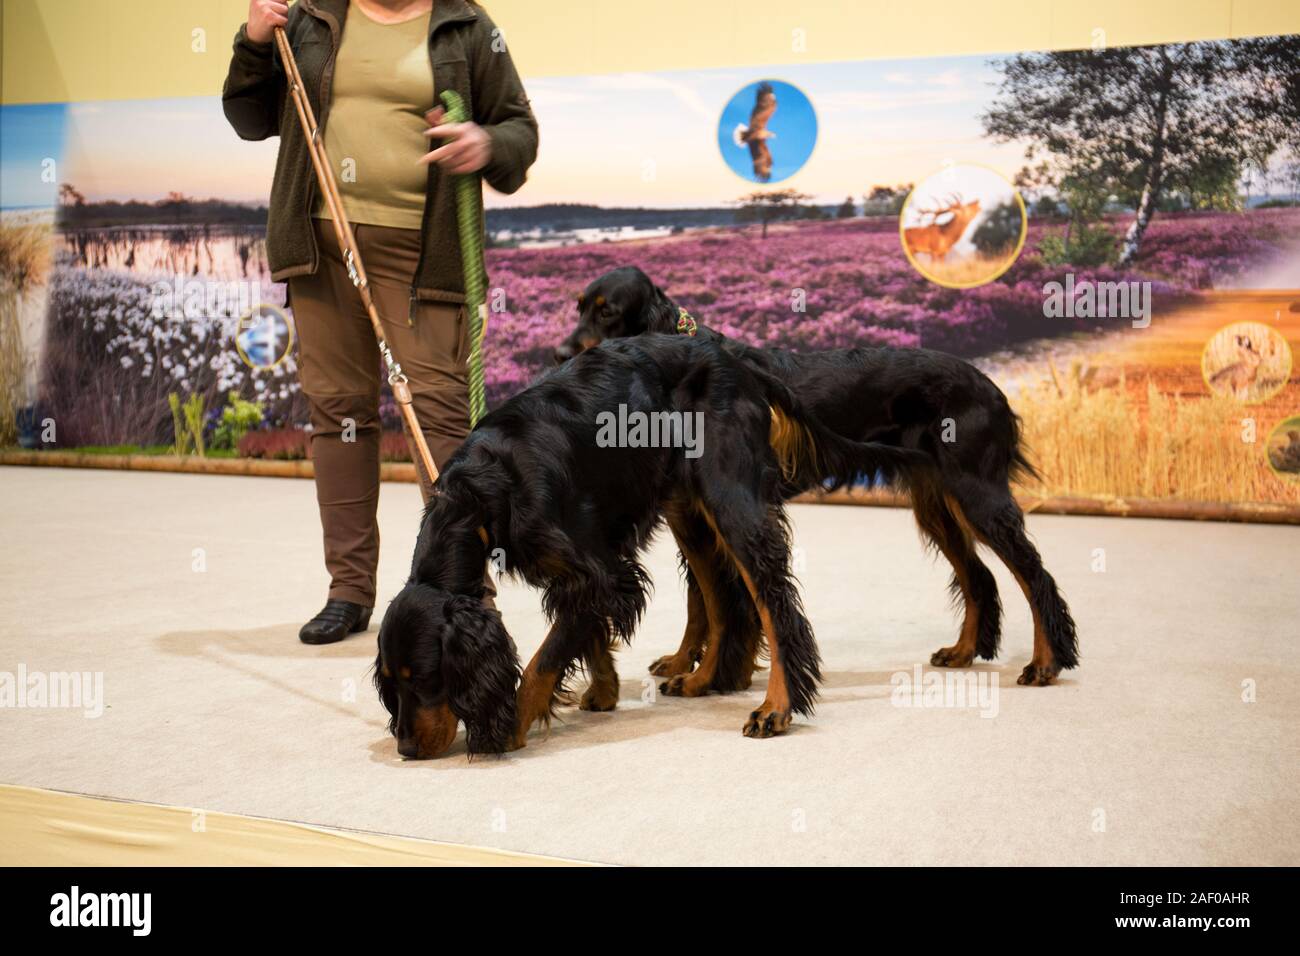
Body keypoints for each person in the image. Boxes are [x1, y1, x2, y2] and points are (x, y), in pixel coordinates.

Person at [222, 0, 537, 643]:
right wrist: (253, 41)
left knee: (442, 418)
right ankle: (349, 591)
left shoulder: (467, 27)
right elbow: (249, 118)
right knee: (338, 413)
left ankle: (463, 592)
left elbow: (519, 132)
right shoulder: (306, 18)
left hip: (424, 253)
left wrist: (484, 142)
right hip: (320, 242)